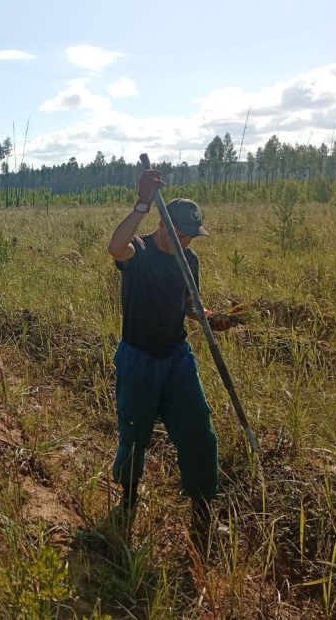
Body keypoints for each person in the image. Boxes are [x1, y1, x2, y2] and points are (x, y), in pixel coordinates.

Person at [105, 169, 234, 551]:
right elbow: (115, 247)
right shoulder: (139, 251)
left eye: (191, 236)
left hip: (177, 359)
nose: (186, 241)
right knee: (134, 435)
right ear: (163, 224)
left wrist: (208, 317)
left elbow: (189, 302)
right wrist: (141, 204)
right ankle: (128, 498)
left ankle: (202, 514)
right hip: (138, 359)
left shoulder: (189, 260)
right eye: (180, 233)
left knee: (199, 433)